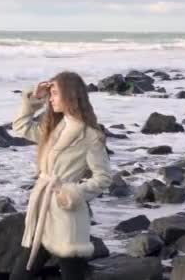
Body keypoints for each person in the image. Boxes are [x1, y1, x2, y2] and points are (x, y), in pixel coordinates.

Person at [10, 71, 112, 280]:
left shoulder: (90, 136)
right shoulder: (54, 127)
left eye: (55, 94)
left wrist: (71, 193)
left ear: (70, 96)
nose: (51, 99)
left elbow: (103, 178)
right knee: (19, 275)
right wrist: (35, 98)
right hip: (42, 215)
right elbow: (20, 126)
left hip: (67, 216)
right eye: (50, 94)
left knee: (72, 275)